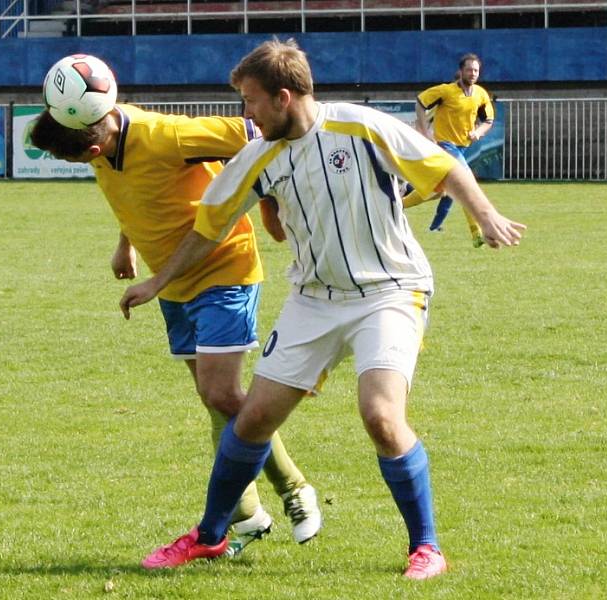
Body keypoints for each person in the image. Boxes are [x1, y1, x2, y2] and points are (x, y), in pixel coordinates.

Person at [119, 39, 525, 579]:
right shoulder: (258, 155)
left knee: (381, 416)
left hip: (391, 291)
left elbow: (444, 166)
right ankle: (211, 536)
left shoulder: (362, 126)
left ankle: (426, 547)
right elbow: (207, 226)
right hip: (313, 298)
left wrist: (485, 213)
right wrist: (158, 280)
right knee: (254, 419)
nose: (247, 114)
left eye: (252, 101)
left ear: (283, 97)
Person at [29, 102, 322, 556]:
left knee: (222, 394)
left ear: (93, 146)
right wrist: (125, 244)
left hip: (224, 268)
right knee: (215, 400)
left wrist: (269, 200)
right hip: (169, 279)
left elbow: (254, 133)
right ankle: (247, 516)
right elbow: (137, 191)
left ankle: (294, 491)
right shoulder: (99, 125)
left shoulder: (167, 134)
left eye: (73, 160)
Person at [415, 53, 495, 239]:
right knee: (466, 180)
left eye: (476, 70)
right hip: (445, 145)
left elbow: (488, 120)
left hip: (462, 147)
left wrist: (478, 132)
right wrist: (425, 132)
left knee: (444, 191)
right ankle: (477, 233)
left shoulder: (480, 94)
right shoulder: (445, 91)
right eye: (469, 69)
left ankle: (400, 206)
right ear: (461, 71)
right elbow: (420, 102)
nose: (473, 73)